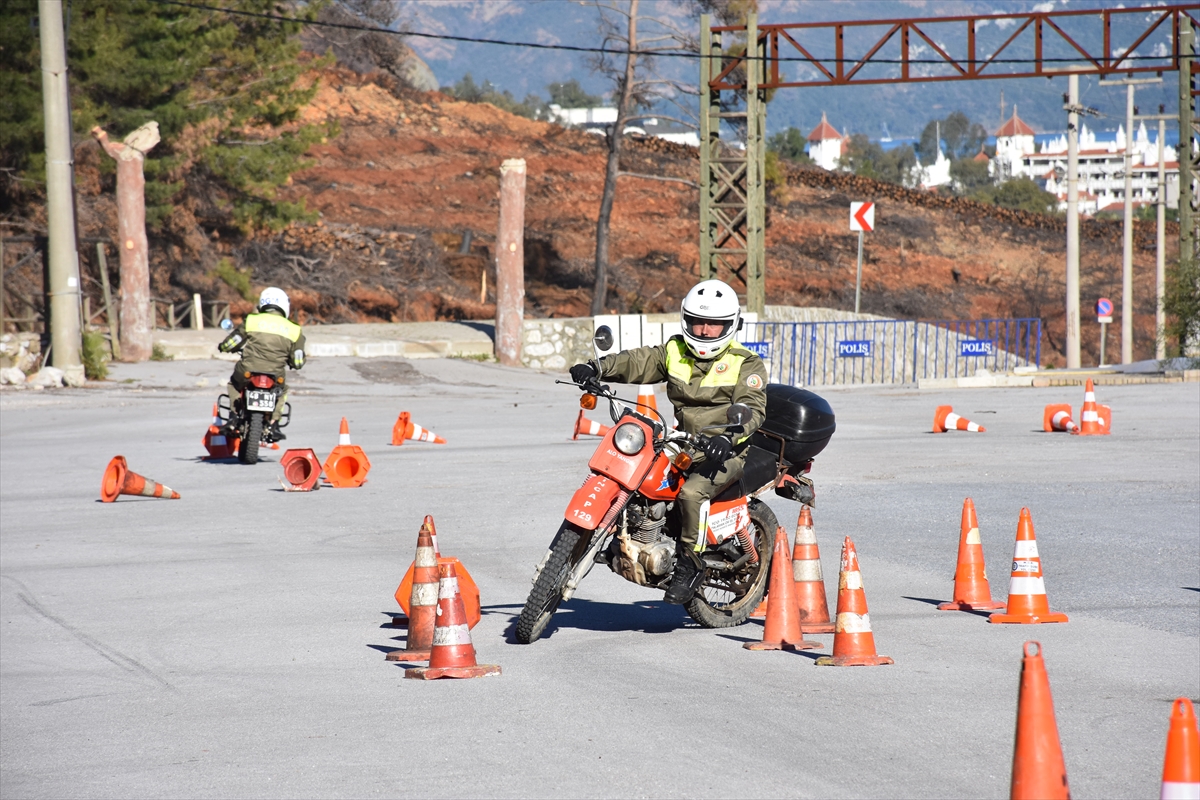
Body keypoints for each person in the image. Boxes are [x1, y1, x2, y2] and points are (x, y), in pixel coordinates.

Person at [569, 279, 768, 605]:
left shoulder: (746, 363)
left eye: (713, 325)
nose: (703, 331)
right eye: (698, 322)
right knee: (638, 471)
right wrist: (597, 367)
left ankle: (689, 565)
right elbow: (639, 361)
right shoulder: (675, 350)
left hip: (724, 450)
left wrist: (729, 435)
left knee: (691, 493)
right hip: (684, 441)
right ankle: (627, 536)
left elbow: (753, 409)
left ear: (730, 326)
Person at [218, 287, 306, 441]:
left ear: (263, 303)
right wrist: (293, 361)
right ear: (285, 306)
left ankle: (232, 418)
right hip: (275, 373)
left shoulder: (252, 321)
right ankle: (274, 424)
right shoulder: (294, 330)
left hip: (247, 370)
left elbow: (233, 342)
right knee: (282, 391)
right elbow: (298, 361)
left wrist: (224, 347)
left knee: (233, 384)